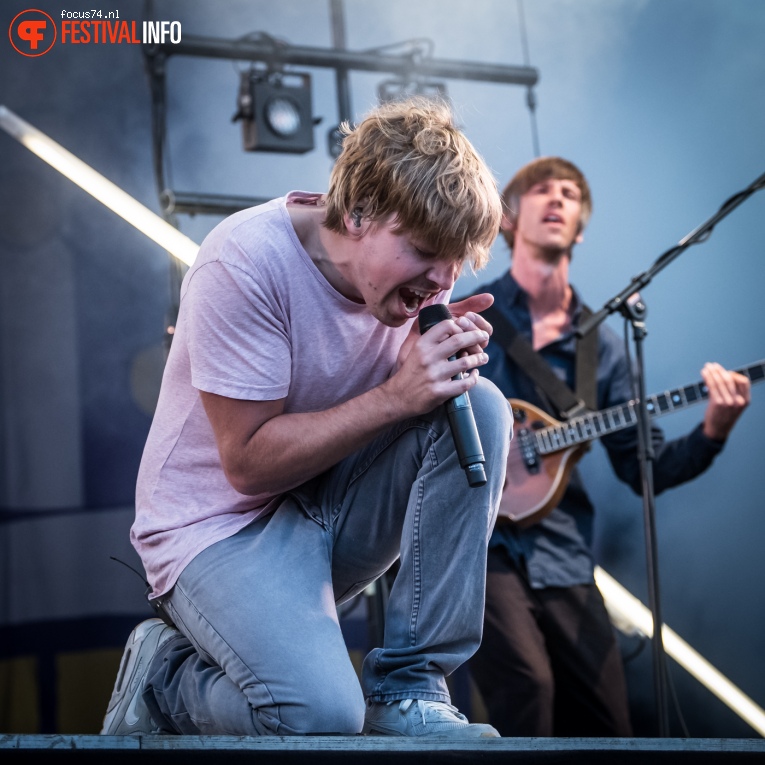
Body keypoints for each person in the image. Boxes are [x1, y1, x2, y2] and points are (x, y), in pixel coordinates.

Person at [100, 97, 513, 738]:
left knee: (479, 404)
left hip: (325, 502)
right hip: (215, 532)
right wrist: (398, 394)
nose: (440, 283)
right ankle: (165, 680)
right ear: (357, 213)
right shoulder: (245, 261)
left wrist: (429, 375)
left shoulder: (421, 283)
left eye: (455, 263)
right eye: (425, 252)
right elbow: (247, 464)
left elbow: (408, 398)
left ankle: (411, 687)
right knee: (318, 720)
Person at [468, 156, 751, 737]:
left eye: (570, 194)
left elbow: (645, 471)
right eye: (541, 190)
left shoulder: (606, 350)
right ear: (507, 219)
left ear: (579, 226)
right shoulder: (477, 318)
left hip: (564, 550)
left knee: (609, 721)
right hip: (477, 545)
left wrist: (713, 430)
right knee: (528, 689)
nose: (556, 200)